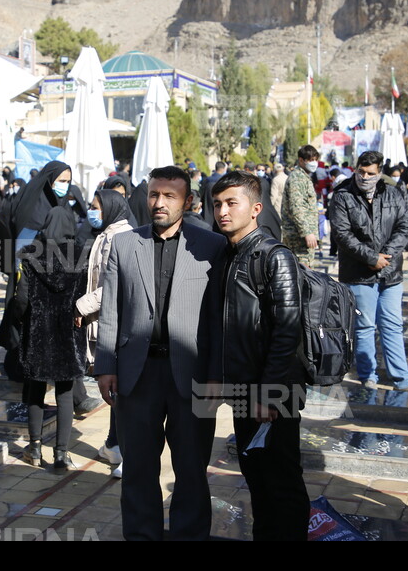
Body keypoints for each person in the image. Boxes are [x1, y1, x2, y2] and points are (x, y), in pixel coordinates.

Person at [96, 165, 227, 540]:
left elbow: (219, 318)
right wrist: (106, 366)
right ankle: (141, 535)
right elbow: (111, 310)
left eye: (170, 196)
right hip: (138, 373)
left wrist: (217, 375)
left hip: (193, 374)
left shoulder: (211, 246)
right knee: (138, 468)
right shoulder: (124, 244)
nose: (159, 202)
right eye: (154, 194)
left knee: (191, 468)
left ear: (187, 202)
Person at [211, 170, 309, 540]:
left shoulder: (273, 256)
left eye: (231, 203)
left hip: (274, 391)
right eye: (218, 204)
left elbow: (287, 329)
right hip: (243, 388)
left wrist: (269, 391)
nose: (222, 211)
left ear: (255, 208)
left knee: (281, 479)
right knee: (257, 477)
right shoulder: (230, 254)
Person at [329, 150, 408, 392]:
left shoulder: (393, 192)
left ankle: (401, 377)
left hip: (390, 272)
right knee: (365, 326)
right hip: (358, 273)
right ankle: (368, 374)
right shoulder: (343, 195)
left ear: (379, 173)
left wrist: (385, 256)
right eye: (361, 171)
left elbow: (404, 225)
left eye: (370, 173)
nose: (364, 177)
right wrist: (370, 257)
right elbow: (342, 234)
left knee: (392, 324)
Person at [14, 206, 85, 471]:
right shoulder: (80, 255)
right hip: (67, 331)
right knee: (65, 394)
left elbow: (22, 298)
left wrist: (20, 320)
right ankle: (61, 453)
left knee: (35, 390)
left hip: (38, 330)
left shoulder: (31, 253)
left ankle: (34, 446)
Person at [74, 189, 135, 477]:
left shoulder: (120, 237)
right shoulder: (105, 233)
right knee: (114, 389)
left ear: (110, 208)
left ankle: (126, 453)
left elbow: (114, 284)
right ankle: (113, 444)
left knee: (122, 390)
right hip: (103, 321)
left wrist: (82, 305)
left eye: (96, 207)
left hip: (116, 323)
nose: (91, 211)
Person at [282, 145, 320, 267]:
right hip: (298, 237)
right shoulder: (297, 178)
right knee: (303, 271)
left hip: (301, 236)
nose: (314, 163)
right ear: (301, 160)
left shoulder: (304, 177)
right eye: (310, 160)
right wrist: (307, 232)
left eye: (315, 159)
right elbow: (297, 207)